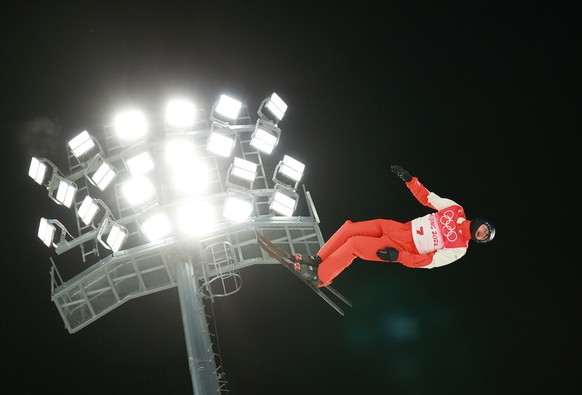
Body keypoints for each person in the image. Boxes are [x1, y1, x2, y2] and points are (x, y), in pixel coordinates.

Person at [293, 165, 496, 288]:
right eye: (486, 229)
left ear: (479, 240)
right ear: (482, 222)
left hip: (404, 248)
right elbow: (428, 198)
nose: (483, 233)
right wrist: (410, 180)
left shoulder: (460, 249)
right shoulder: (456, 209)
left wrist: (399, 257)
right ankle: (318, 260)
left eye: (484, 236)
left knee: (355, 245)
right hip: (400, 228)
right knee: (350, 228)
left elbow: (429, 262)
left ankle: (320, 277)